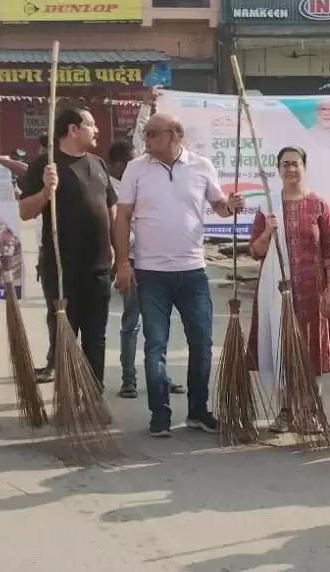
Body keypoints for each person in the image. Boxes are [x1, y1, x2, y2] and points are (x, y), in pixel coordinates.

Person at [113, 113, 245, 437]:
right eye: (146, 133)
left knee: (201, 343)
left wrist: (233, 204)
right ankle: (160, 414)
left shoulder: (202, 166)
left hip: (193, 271)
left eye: (154, 134)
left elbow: (221, 208)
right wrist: (122, 263)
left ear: (176, 135)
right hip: (150, 272)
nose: (147, 139)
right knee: (155, 344)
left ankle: (199, 410)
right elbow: (123, 216)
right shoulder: (136, 168)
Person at [246, 147, 330, 432]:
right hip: (276, 292)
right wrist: (268, 231)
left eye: (295, 163)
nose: (290, 169)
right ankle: (286, 410)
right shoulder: (268, 207)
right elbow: (255, 251)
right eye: (285, 164)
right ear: (278, 169)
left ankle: (311, 411)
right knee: (281, 345)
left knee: (310, 350)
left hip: (313, 292)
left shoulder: (318, 205)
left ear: (304, 167)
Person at [18, 107, 114, 384]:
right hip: (61, 270)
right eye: (91, 124)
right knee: (64, 336)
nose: (97, 130)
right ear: (73, 129)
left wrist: (118, 253)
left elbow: (111, 209)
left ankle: (94, 395)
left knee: (96, 337)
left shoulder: (98, 163)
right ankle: (68, 397)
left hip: (98, 268)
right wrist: (46, 193)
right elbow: (25, 211)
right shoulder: (45, 166)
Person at [109, 140, 181, 399]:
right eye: (131, 160)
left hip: (158, 263)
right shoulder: (113, 188)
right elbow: (117, 227)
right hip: (134, 262)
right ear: (118, 164)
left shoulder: (145, 179)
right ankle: (129, 379)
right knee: (131, 323)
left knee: (159, 326)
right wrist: (122, 263)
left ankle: (160, 376)